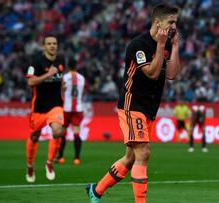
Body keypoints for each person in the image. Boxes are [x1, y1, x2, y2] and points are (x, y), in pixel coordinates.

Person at [86, 3, 181, 203]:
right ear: (158, 22)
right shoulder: (138, 45)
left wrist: (176, 46)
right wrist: (162, 45)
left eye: (176, 22)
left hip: (149, 108)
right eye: (171, 21)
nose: (174, 25)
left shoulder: (169, 44)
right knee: (143, 152)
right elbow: (153, 74)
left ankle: (96, 191)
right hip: (132, 104)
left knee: (130, 159)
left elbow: (171, 74)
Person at [25, 35, 65, 182]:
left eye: (54, 43)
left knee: (58, 131)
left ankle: (49, 163)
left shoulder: (61, 60)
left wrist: (62, 87)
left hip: (56, 105)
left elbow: (59, 79)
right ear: (44, 46)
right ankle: (30, 165)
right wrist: (48, 74)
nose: (52, 46)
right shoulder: (36, 62)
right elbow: (30, 82)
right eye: (49, 44)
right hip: (39, 107)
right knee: (34, 136)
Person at [56, 57, 86, 165]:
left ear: (67, 66)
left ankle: (61, 157)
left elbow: (61, 91)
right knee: (76, 133)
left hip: (66, 108)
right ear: (76, 66)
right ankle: (77, 158)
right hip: (78, 108)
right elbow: (83, 92)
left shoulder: (65, 77)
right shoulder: (82, 78)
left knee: (62, 133)